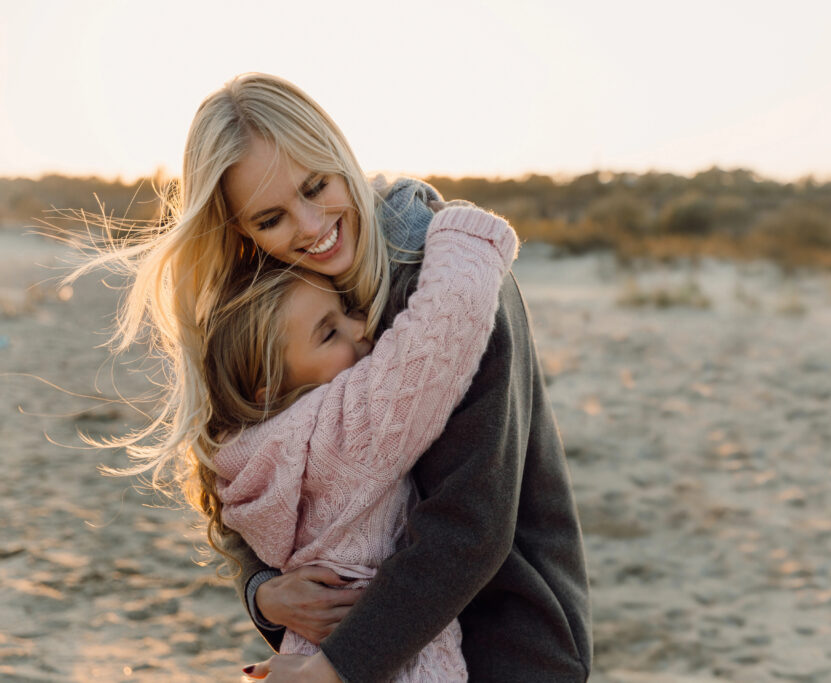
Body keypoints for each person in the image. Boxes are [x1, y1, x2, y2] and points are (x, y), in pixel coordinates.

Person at [81, 72, 591, 682]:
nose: (309, 225)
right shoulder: (278, 301)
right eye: (270, 218)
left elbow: (472, 522)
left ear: (338, 151)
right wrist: (262, 590)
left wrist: (334, 670)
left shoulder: (456, 284)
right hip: (357, 648)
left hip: (505, 641)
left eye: (316, 185)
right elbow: (260, 466)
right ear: (240, 229)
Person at [206, 202, 518, 681]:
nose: (363, 328)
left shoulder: (240, 458)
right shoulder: (342, 432)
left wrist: (260, 592)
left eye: (347, 310)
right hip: (394, 664)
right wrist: (455, 225)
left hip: (310, 652)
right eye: (329, 333)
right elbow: (447, 319)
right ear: (269, 385)